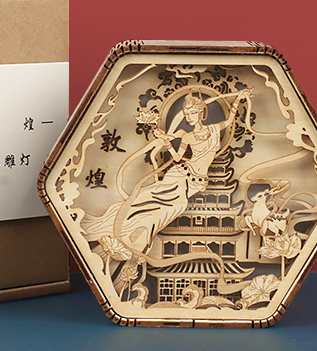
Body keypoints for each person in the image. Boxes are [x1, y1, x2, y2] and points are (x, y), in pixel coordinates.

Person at [82, 88, 250, 255]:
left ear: (201, 113)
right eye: (186, 114)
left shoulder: (214, 129)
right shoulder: (186, 136)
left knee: (159, 208)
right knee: (165, 205)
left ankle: (130, 238)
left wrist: (239, 98)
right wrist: (166, 142)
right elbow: (177, 157)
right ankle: (133, 239)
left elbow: (230, 120)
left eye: (192, 113)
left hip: (198, 182)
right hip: (181, 174)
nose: (189, 117)